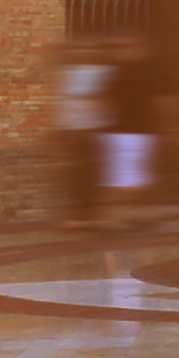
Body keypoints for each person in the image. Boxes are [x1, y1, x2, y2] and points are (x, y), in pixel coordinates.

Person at [53, 27, 159, 225]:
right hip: (77, 129)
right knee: (83, 173)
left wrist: (98, 125)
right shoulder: (68, 73)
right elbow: (64, 101)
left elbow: (107, 101)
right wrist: (62, 125)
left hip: (99, 130)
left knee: (104, 174)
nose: (81, 53)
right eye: (77, 49)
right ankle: (91, 214)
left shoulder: (106, 71)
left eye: (86, 49)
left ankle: (109, 215)